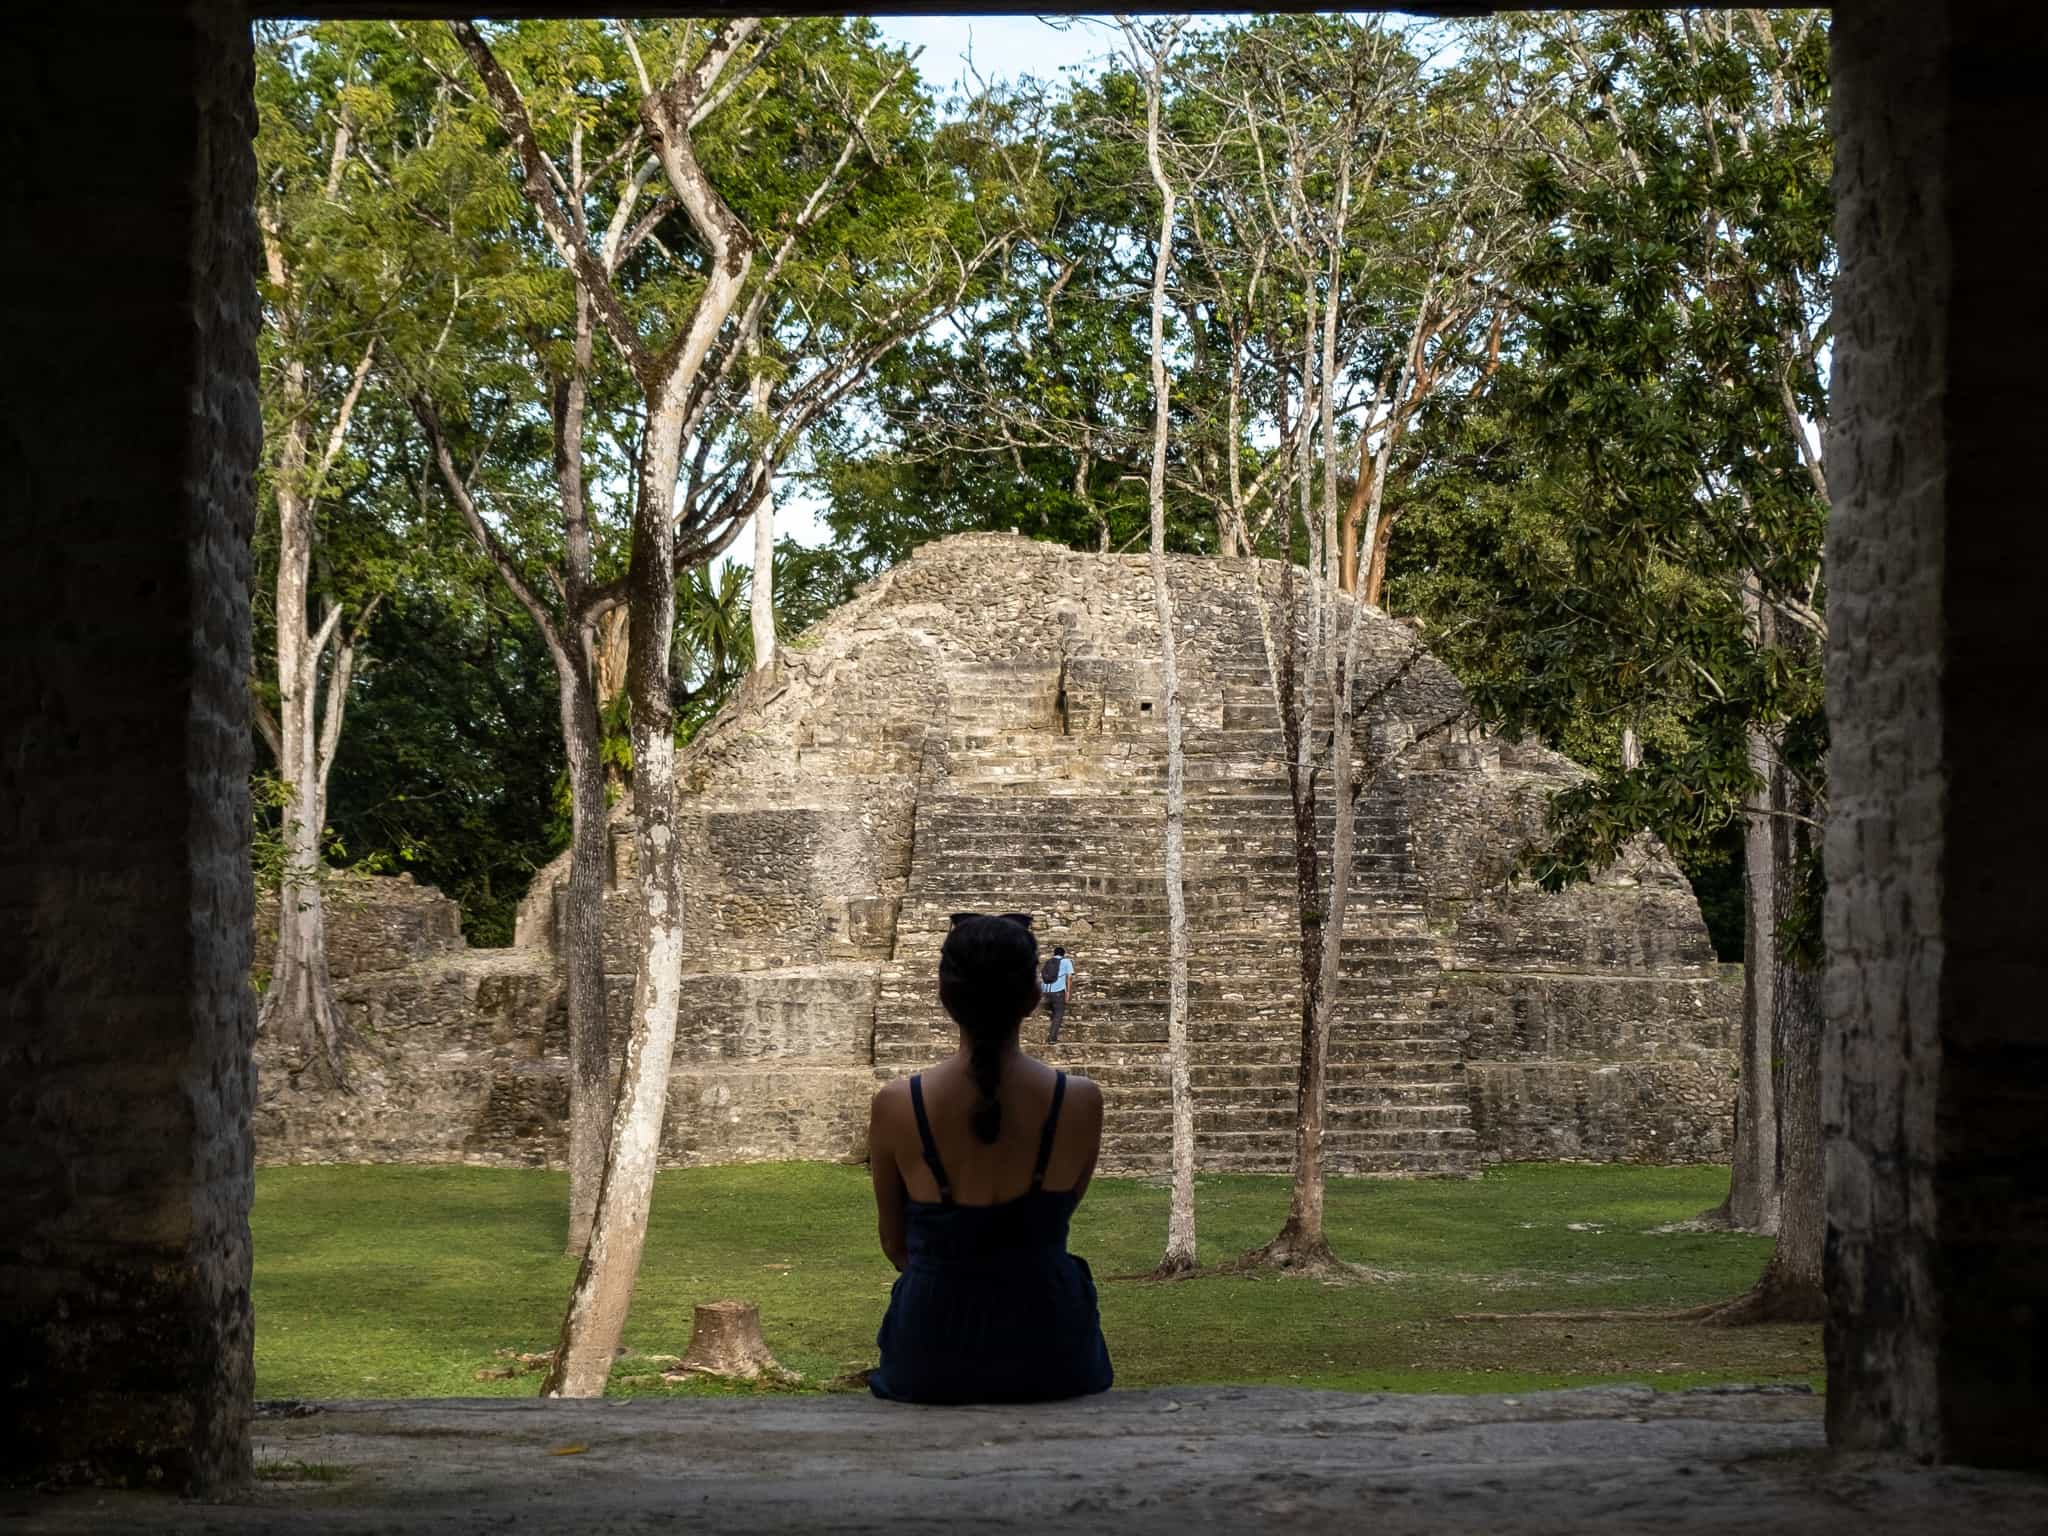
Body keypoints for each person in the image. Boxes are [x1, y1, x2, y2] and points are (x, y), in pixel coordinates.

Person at [866, 912, 1114, 1404]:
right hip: (1051, 1346)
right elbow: (1061, 1210)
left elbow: (895, 1244)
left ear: (945, 996)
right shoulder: (1079, 1101)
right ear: (1034, 995)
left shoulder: (898, 1104)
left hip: (932, 1349)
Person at [1039, 944, 1076, 1046]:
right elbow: (1069, 977)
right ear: (1063, 954)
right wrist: (1068, 992)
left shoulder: (1048, 962)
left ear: (1054, 954)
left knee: (1053, 1012)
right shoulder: (1066, 961)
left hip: (1046, 991)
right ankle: (1052, 1038)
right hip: (1058, 991)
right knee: (1058, 1014)